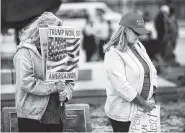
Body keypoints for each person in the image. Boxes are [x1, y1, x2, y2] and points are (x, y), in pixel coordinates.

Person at [13, 12, 75, 132]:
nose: (54, 34)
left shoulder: (60, 50)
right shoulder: (25, 52)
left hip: (56, 115)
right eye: (51, 30)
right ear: (40, 29)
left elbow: (69, 80)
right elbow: (26, 82)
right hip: (32, 116)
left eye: (57, 31)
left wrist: (66, 94)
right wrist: (54, 86)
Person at [103, 12, 158, 132]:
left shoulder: (138, 45)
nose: (138, 36)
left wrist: (152, 91)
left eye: (140, 33)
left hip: (143, 108)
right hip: (124, 112)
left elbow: (152, 70)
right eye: (136, 32)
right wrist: (143, 103)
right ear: (126, 29)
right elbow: (120, 85)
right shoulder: (113, 52)